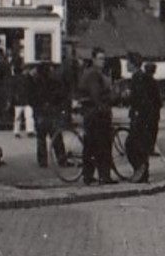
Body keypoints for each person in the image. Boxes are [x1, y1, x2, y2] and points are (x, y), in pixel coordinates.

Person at [77, 48, 115, 184]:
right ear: (93, 59)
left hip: (90, 114)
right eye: (100, 58)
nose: (103, 61)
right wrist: (104, 108)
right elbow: (95, 95)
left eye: (104, 58)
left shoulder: (90, 73)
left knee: (90, 146)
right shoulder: (94, 75)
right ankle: (104, 176)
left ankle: (88, 176)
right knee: (103, 146)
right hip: (97, 115)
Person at [126, 56, 162, 184]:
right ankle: (143, 175)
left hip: (141, 118)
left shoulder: (138, 77)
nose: (126, 65)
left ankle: (140, 170)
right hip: (146, 118)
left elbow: (140, 98)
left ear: (133, 64)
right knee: (141, 146)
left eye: (128, 63)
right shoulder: (145, 78)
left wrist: (136, 111)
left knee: (132, 145)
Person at [33, 63, 69, 168]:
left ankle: (42, 161)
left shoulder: (36, 83)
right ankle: (61, 159)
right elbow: (60, 95)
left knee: (41, 138)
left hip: (40, 112)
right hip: (52, 112)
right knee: (56, 137)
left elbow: (32, 98)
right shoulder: (54, 83)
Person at [12, 54, 36, 139]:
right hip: (27, 100)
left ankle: (16, 131)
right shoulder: (28, 78)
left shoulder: (16, 78)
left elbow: (13, 89)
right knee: (29, 116)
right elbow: (32, 88)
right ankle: (30, 131)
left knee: (17, 117)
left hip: (19, 100)